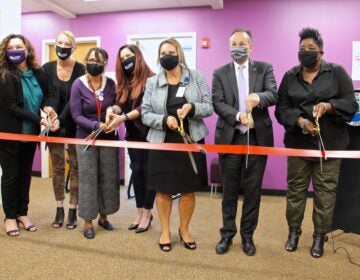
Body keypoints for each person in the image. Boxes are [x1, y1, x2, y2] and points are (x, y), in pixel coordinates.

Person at [275, 27, 358, 258]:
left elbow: (351, 105)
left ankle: (319, 236)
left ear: (321, 52)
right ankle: (294, 232)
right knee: (295, 193)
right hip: (298, 145)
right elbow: (281, 110)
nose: (306, 52)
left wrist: (329, 106)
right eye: (302, 49)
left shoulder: (337, 73)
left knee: (325, 194)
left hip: (329, 147)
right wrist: (300, 121)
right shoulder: (289, 76)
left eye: (311, 49)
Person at [142, 38, 213, 252]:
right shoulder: (152, 82)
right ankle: (165, 230)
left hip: (190, 140)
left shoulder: (196, 77)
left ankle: (184, 229)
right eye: (162, 52)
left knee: (188, 190)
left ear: (179, 54)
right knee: (162, 190)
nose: (166, 55)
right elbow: (145, 113)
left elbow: (209, 107)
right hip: (162, 141)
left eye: (171, 51)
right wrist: (164, 120)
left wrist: (191, 107)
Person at [212, 28, 277, 256]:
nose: (237, 47)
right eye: (233, 44)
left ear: (250, 47)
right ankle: (226, 235)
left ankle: (247, 237)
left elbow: (273, 93)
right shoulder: (220, 73)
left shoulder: (264, 68)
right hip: (230, 138)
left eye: (241, 43)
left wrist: (258, 98)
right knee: (229, 191)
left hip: (257, 139)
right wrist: (238, 115)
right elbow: (217, 103)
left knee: (252, 191)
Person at [0, 34, 59, 236]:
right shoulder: (5, 74)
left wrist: (49, 108)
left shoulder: (37, 72)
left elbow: (50, 93)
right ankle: (9, 217)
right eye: (11, 47)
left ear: (27, 49)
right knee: (10, 176)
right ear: (5, 51)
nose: (15, 50)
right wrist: (40, 119)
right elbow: (12, 108)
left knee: (25, 175)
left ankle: (22, 213)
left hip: (30, 135)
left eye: (19, 46)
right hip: (9, 134)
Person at [105, 44, 156, 233]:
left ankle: (148, 213)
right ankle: (140, 211)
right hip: (133, 134)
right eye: (123, 57)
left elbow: (146, 107)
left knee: (148, 173)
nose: (126, 59)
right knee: (137, 171)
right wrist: (112, 111)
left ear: (138, 56)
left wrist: (124, 117)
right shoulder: (125, 81)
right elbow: (120, 105)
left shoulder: (151, 79)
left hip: (150, 134)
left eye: (129, 55)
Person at [70, 47, 119, 239]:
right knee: (88, 179)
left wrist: (114, 111)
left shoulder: (111, 84)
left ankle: (104, 217)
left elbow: (117, 105)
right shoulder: (78, 84)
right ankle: (88, 221)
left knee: (107, 177)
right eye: (91, 59)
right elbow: (76, 115)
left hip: (108, 138)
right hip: (86, 139)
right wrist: (95, 125)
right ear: (85, 61)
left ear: (105, 64)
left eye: (99, 61)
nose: (94, 63)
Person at [43, 30, 85, 229]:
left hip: (75, 126)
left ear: (74, 47)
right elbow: (43, 96)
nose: (62, 46)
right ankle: (59, 208)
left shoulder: (82, 70)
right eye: (59, 42)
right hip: (53, 127)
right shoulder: (46, 69)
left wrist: (61, 118)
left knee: (76, 168)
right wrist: (47, 110)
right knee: (58, 168)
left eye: (66, 43)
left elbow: (76, 101)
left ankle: (73, 209)